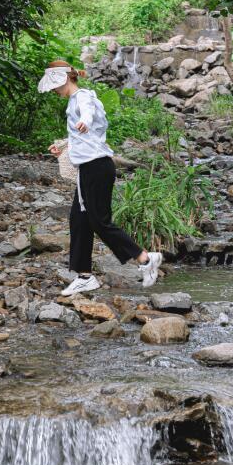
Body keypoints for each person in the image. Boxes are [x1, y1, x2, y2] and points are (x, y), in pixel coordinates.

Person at [37, 60, 162, 297]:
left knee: (99, 221)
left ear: (65, 79)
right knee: (79, 219)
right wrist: (63, 145)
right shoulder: (79, 99)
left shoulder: (82, 98)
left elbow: (88, 113)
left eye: (55, 85)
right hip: (94, 166)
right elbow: (86, 136)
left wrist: (84, 119)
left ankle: (145, 258)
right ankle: (84, 276)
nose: (54, 91)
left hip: (95, 168)